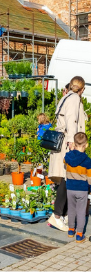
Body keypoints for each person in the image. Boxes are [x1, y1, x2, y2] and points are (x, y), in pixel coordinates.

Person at [48, 76, 88, 231]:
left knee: (67, 179)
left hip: (65, 141)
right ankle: (57, 216)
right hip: (68, 143)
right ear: (82, 89)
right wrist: (73, 142)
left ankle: (62, 215)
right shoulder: (74, 99)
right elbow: (71, 120)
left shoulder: (66, 97)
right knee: (67, 179)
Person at [63, 132, 89, 242]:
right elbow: (90, 178)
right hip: (82, 189)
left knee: (71, 209)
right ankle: (79, 234)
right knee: (81, 211)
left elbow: (64, 162)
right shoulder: (88, 161)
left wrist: (72, 150)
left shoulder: (67, 157)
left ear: (74, 144)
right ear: (86, 145)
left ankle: (70, 230)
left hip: (70, 188)